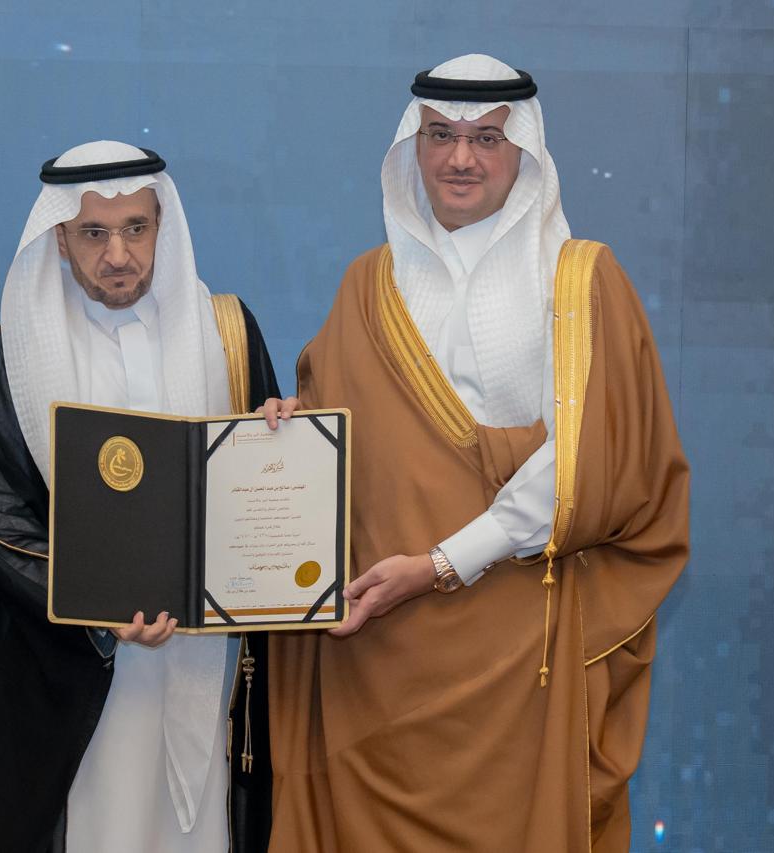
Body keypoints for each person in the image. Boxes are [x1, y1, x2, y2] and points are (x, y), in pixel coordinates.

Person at [261, 54, 689, 851]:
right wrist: (285, 430)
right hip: (376, 658)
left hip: (518, 650)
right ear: (412, 147)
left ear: (523, 150)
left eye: (486, 138)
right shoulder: (366, 285)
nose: (461, 158)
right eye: (441, 136)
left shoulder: (581, 282)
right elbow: (342, 439)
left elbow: (587, 463)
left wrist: (441, 564)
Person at [0, 141, 278, 853]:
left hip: (207, 656)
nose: (118, 255)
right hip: (77, 666)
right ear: (59, 240)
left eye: (136, 228)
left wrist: (281, 437)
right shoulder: (14, 352)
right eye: (93, 233)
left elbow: (262, 483)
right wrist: (96, 606)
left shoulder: (226, 333)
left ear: (163, 227)